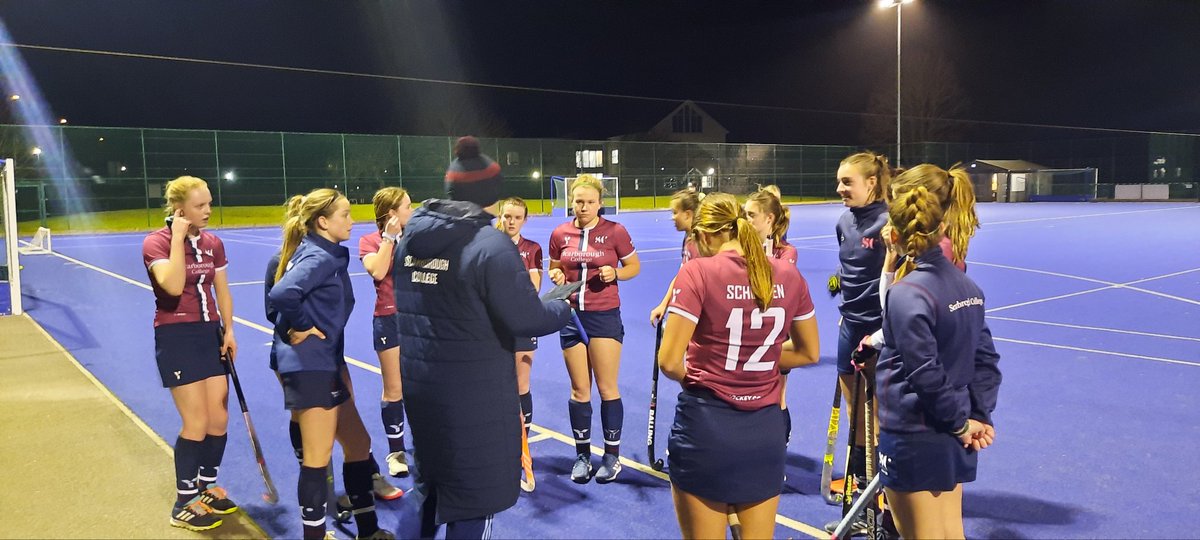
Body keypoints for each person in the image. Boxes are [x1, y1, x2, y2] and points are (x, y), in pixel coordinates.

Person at [393, 136, 572, 539]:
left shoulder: (411, 237)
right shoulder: (488, 244)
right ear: (489, 194)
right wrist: (562, 304)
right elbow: (526, 317)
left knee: (429, 490)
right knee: (475, 500)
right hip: (474, 396)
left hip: (423, 388)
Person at [656, 193, 820, 539]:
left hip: (706, 427)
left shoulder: (697, 271)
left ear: (704, 235)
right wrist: (751, 362)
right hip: (765, 431)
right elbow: (808, 353)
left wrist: (709, 372)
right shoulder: (788, 274)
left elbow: (670, 362)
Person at [874, 164, 1001, 539]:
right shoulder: (968, 285)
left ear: (894, 234)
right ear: (941, 226)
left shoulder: (909, 291)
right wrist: (976, 418)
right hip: (953, 429)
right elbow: (986, 360)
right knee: (950, 533)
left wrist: (962, 423)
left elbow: (924, 372)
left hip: (915, 431)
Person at [267, 188, 392, 540]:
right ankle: (314, 535)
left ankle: (368, 531)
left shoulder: (324, 254)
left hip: (325, 362)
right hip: (310, 367)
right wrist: (303, 326)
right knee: (317, 458)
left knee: (358, 442)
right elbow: (280, 296)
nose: (352, 221)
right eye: (346, 215)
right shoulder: (317, 257)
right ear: (323, 221)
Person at [142, 176, 238, 531]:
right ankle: (184, 501)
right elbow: (171, 284)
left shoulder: (213, 242)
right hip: (175, 334)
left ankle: (206, 487)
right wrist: (179, 239)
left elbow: (223, 291)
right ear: (179, 210)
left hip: (208, 332)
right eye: (200, 206)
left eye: (209, 203)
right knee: (196, 422)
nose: (208, 211)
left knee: (218, 419)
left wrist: (228, 329)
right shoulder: (156, 242)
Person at [547, 174, 641, 484]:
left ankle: (612, 456)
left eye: (589, 201)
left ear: (600, 203)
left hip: (603, 316)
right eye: (578, 201)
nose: (583, 206)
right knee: (579, 390)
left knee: (606, 387)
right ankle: (583, 455)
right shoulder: (560, 233)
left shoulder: (615, 232)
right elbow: (555, 266)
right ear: (571, 202)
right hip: (570, 316)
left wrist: (614, 273)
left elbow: (633, 267)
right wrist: (557, 277)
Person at [826, 151, 891, 534]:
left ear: (871, 183)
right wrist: (840, 283)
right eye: (839, 181)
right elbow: (847, 264)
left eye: (847, 182)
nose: (840, 188)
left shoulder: (887, 223)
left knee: (879, 421)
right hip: (848, 326)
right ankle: (858, 503)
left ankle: (885, 508)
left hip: (879, 333)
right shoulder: (843, 221)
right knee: (855, 422)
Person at [359, 186, 415, 477]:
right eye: (407, 206)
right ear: (392, 213)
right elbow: (379, 271)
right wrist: (390, 238)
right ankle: (397, 451)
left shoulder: (416, 237)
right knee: (394, 389)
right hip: (389, 319)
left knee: (423, 386)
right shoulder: (369, 241)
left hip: (418, 319)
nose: (412, 210)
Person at [496, 197, 544, 439]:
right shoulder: (490, 245)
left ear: (525, 219)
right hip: (494, 325)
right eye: (507, 216)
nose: (511, 221)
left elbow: (533, 287)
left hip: (523, 323)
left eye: (517, 217)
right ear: (500, 216)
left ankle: (522, 441)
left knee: (522, 384)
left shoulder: (532, 249)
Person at [649, 188, 703, 327]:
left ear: (687, 214)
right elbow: (682, 274)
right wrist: (664, 304)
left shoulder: (700, 243)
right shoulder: (688, 238)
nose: (672, 217)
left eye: (675, 212)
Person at [744, 184, 797, 264]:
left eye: (752, 215)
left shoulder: (786, 252)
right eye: (744, 214)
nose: (745, 219)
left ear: (769, 218)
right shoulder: (741, 247)